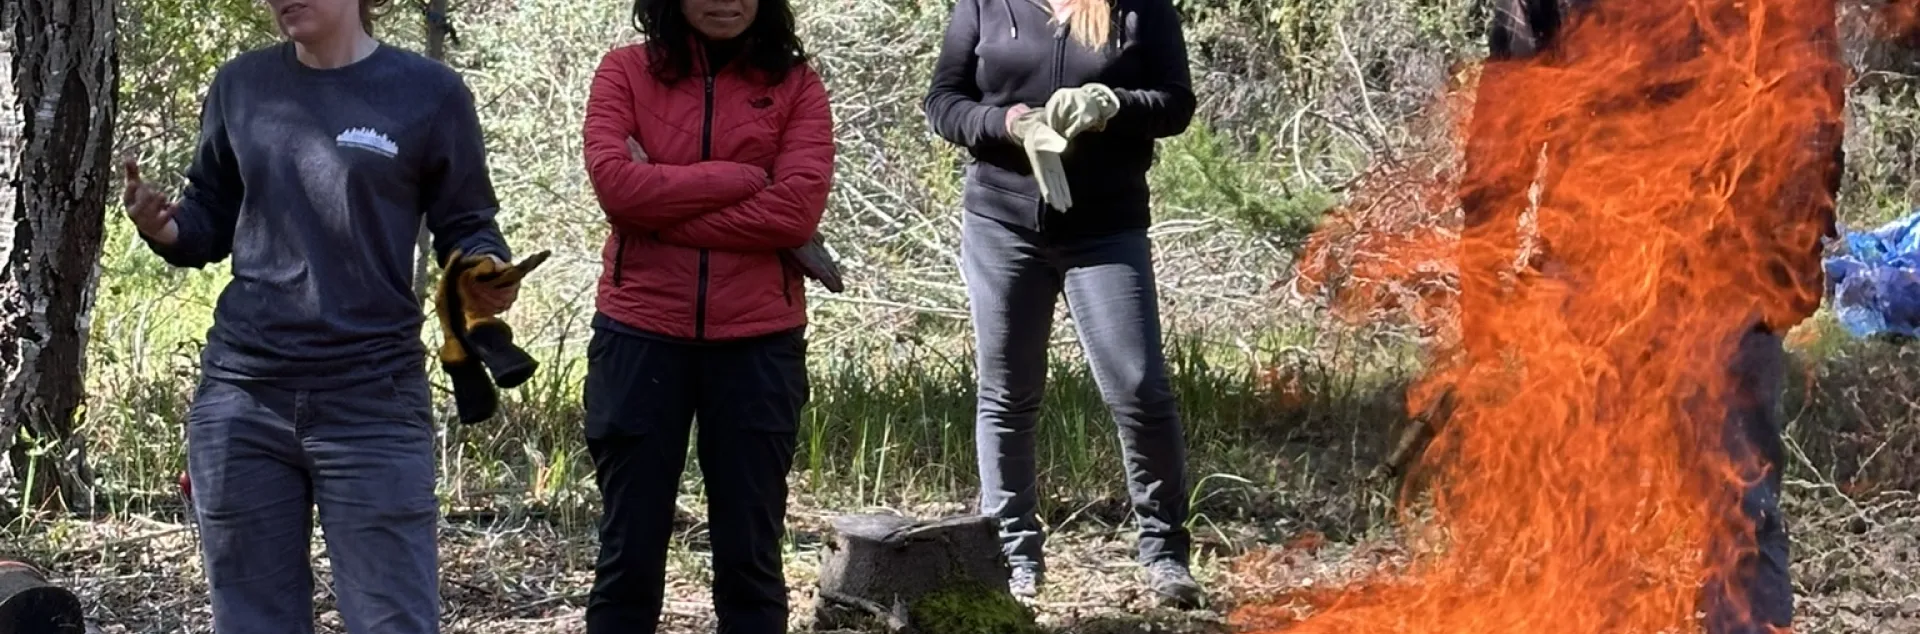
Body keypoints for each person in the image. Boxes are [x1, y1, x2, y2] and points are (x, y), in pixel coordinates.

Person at [119, 0, 520, 632]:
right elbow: (207, 219)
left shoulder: (430, 93)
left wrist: (483, 270)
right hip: (243, 398)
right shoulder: (241, 85)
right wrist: (162, 227)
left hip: (373, 398)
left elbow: (468, 223)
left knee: (392, 622)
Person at [922, 0, 1204, 607]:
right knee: (1007, 392)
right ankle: (1013, 557)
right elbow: (943, 102)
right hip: (1001, 222)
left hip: (1106, 227)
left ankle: (1165, 555)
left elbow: (1176, 103)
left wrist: (1112, 105)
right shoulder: (983, 3)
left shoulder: (1141, 8)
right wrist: (1007, 124)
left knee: (1139, 388)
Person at [577, 0, 834, 631]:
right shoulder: (623, 71)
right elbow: (617, 190)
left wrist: (659, 209)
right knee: (627, 557)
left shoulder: (797, 84)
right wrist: (743, 178)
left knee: (751, 559)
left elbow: (794, 214)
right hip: (638, 332)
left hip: (758, 342)